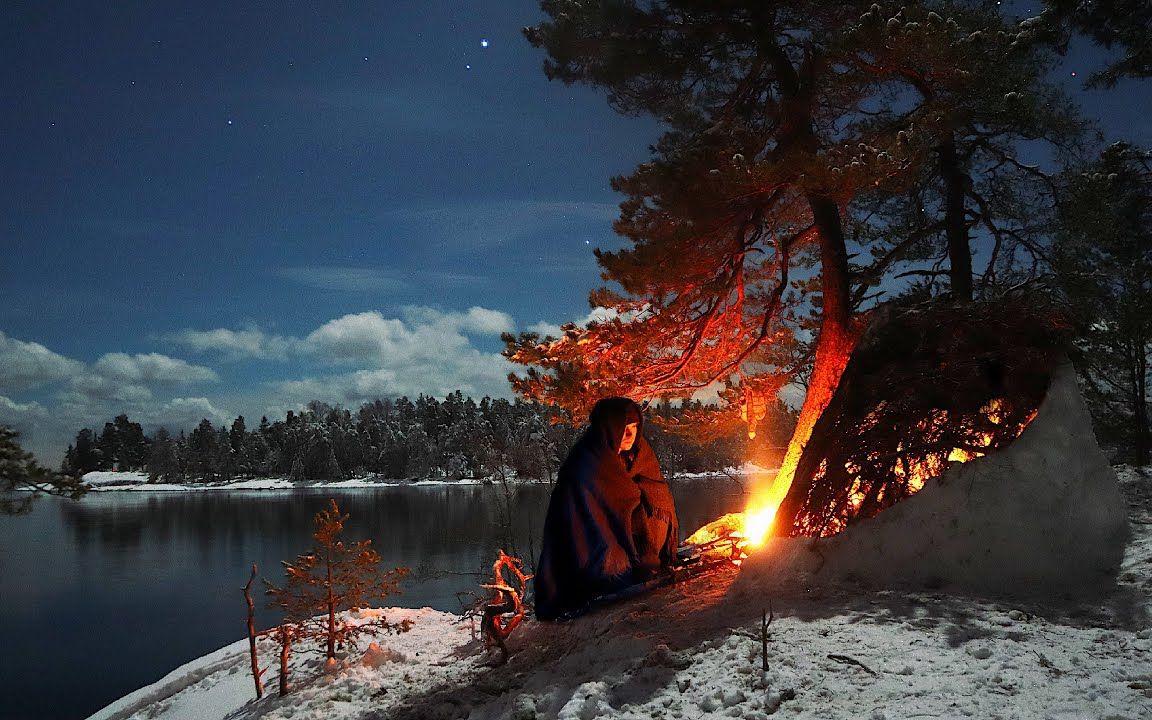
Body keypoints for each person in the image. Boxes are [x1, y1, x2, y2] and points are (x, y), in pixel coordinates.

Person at [533, 397, 679, 621]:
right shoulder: (588, 460)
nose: (630, 436)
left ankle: (647, 560)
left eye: (635, 428)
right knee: (607, 565)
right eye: (624, 429)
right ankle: (622, 572)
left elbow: (656, 493)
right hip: (591, 540)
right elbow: (589, 513)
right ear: (610, 428)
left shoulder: (642, 454)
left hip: (630, 538)